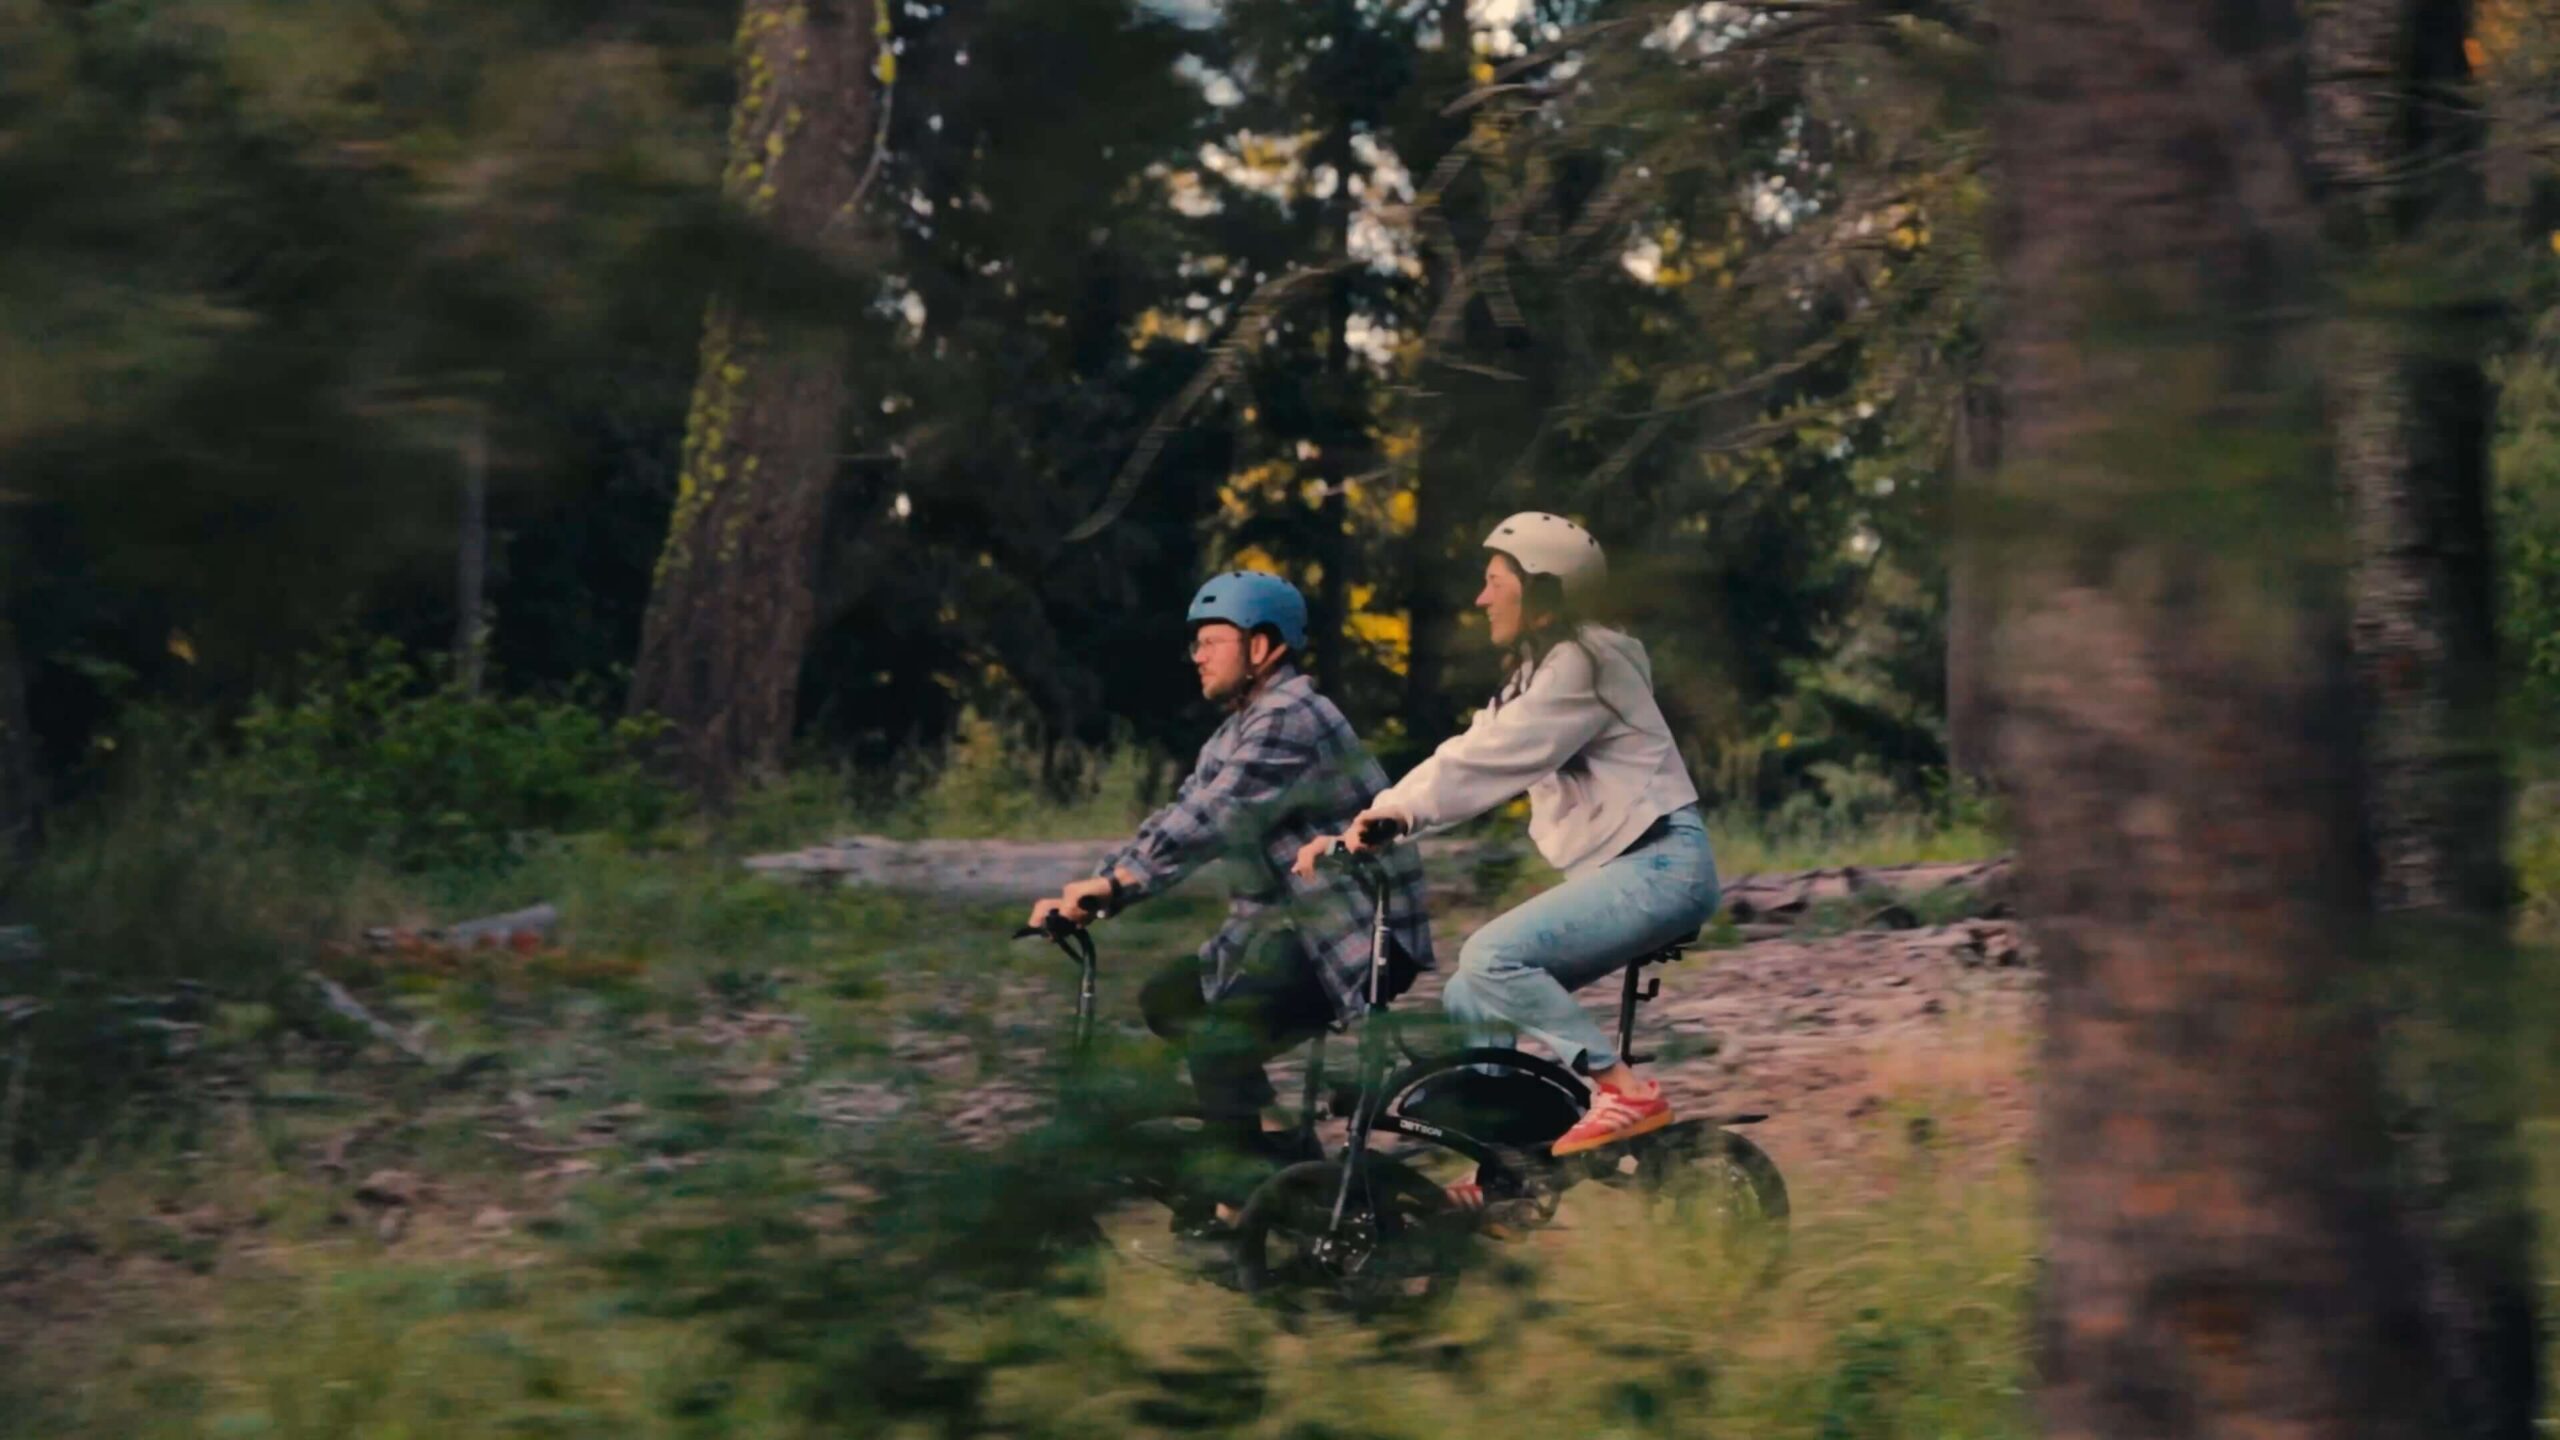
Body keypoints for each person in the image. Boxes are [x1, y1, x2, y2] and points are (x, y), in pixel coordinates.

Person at [1295, 512, 1718, 1159]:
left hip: (1663, 865)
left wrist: (1391, 819)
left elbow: (1490, 759)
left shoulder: (1592, 662)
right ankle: (1504, 1158)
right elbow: (1469, 747)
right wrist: (1374, 820)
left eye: (1496, 582)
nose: (1481, 598)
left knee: (1492, 957)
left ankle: (1622, 1089)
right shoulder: (1541, 673)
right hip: (1634, 871)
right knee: (1470, 992)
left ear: (1545, 592)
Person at [1026, 569, 1433, 1223]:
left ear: (1264, 647)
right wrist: (1100, 888)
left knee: (1220, 1041)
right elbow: (1180, 813)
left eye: (1213, 640)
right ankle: (1274, 1152)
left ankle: (1244, 1199)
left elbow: (1218, 815)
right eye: (1197, 642)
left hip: (1351, 933)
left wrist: (1120, 885)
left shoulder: (1290, 717)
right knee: (1172, 999)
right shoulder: (1241, 727)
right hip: (1290, 930)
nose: (1198, 655)